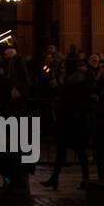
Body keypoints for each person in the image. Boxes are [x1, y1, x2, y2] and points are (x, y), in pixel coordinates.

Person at [41, 54, 92, 190]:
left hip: (73, 122)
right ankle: (56, 178)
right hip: (70, 121)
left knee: (77, 152)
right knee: (64, 151)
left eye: (64, 66)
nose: (62, 68)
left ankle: (83, 179)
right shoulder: (72, 80)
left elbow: (70, 100)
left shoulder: (75, 82)